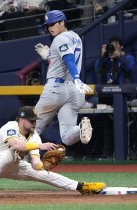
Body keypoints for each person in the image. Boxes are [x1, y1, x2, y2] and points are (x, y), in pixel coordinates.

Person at [0, 105, 106, 199]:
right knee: (9, 153)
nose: (34, 123)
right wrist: (41, 145)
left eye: (35, 120)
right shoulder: (10, 126)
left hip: (14, 164)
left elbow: (35, 162)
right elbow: (16, 145)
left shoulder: (34, 135)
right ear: (21, 120)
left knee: (45, 175)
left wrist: (44, 165)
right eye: (31, 120)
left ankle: (81, 187)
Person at [34, 10, 93, 146]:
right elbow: (64, 60)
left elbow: (68, 59)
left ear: (62, 22)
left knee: (32, 128)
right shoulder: (75, 37)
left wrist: (77, 77)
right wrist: (49, 56)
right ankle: (81, 128)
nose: (49, 27)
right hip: (75, 91)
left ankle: (22, 165)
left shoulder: (60, 39)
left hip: (56, 89)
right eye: (47, 25)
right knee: (67, 137)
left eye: (53, 24)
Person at [94, 35, 135, 157]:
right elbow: (98, 69)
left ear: (121, 46)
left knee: (120, 126)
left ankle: (121, 153)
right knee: (106, 126)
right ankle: (106, 152)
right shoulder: (107, 60)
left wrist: (120, 57)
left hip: (122, 97)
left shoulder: (127, 57)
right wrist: (102, 56)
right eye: (111, 45)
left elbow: (130, 69)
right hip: (106, 96)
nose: (113, 48)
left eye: (116, 45)